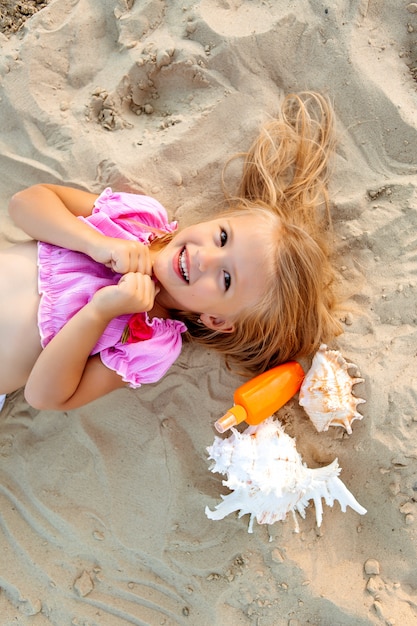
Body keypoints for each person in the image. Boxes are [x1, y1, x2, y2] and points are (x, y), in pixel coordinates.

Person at [0, 92, 342, 412]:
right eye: (222, 237)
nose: (205, 257)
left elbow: (44, 396)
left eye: (225, 278)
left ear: (217, 320)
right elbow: (25, 204)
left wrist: (98, 313)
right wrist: (95, 243)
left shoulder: (150, 344)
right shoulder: (137, 222)